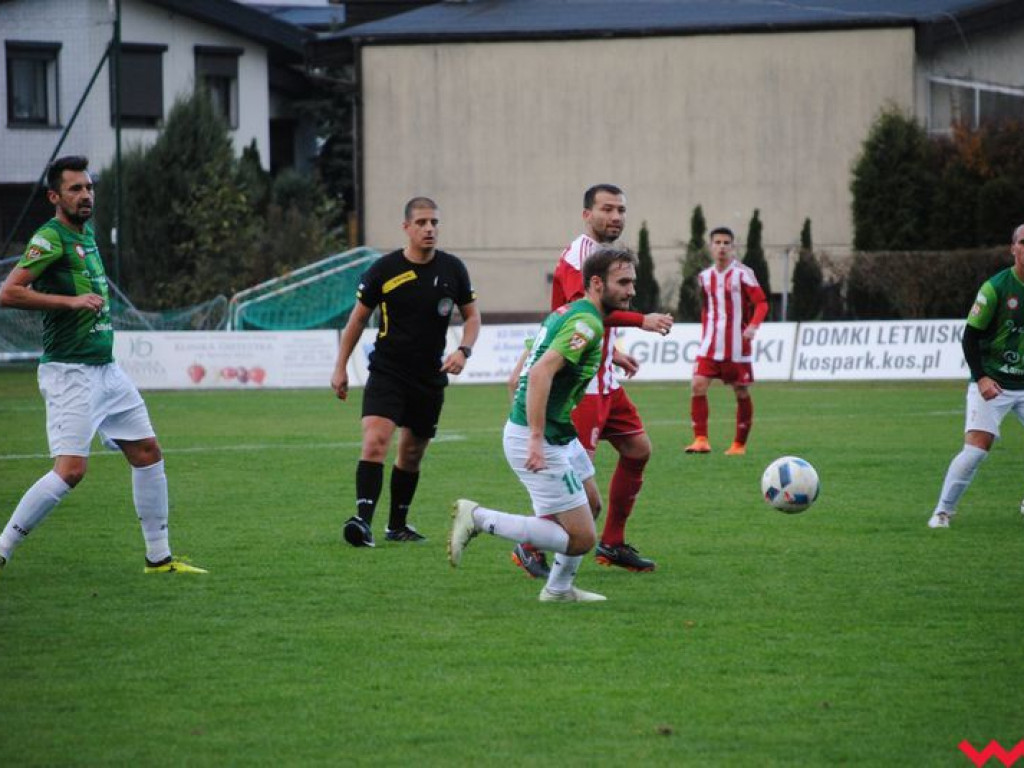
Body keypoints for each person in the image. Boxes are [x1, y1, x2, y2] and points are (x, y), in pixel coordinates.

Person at [0, 156, 205, 576]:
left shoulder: (87, 234)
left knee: (147, 452)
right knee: (71, 471)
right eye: (75, 189)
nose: (86, 195)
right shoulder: (50, 237)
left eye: (89, 188)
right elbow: (9, 292)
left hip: (106, 371)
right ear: (55, 196)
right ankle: (3, 546)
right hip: (70, 371)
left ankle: (158, 558)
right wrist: (69, 301)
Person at [449, 246, 641, 602]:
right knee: (583, 538)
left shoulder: (567, 312)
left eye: (633, 281)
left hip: (557, 432)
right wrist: (534, 437)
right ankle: (477, 517)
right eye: (624, 282)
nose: (631, 290)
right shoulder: (587, 323)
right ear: (597, 283)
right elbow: (539, 372)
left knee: (591, 504)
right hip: (540, 436)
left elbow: (518, 376)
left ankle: (558, 590)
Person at [511, 184, 673, 578]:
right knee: (572, 480)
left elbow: (592, 323)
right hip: (579, 386)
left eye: (620, 210)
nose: (615, 217)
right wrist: (642, 320)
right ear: (587, 215)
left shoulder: (607, 258)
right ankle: (529, 544)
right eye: (607, 209)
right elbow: (583, 313)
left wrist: (613, 352)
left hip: (606, 379)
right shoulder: (578, 258)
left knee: (637, 449)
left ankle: (612, 543)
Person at [331, 197, 480, 547]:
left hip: (429, 376)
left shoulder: (453, 269)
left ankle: (397, 525)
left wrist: (463, 350)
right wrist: (340, 367)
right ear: (406, 227)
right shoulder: (383, 269)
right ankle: (362, 522)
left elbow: (472, 317)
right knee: (375, 441)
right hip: (387, 371)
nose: (429, 229)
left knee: (411, 454)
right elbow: (356, 320)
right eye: (422, 223)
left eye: (434, 223)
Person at [928, 223, 1024, 529]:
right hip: (993, 381)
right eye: (1023, 242)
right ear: (1013, 248)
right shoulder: (995, 288)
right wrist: (981, 377)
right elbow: (969, 337)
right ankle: (942, 512)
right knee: (975, 452)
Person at [685, 226, 768, 456]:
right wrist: (704, 335)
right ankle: (700, 440)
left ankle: (739, 445)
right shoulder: (704, 277)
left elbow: (761, 303)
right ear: (710, 247)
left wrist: (753, 326)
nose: (721, 247)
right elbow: (706, 309)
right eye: (717, 242)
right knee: (697, 385)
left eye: (726, 243)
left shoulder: (743, 273)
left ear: (733, 247)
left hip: (737, 346)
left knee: (741, 392)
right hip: (710, 344)